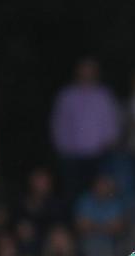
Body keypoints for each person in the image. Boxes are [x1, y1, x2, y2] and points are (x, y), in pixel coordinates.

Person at [50, 58, 121, 208]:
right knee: (73, 192)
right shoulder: (67, 96)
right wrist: (62, 147)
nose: (87, 74)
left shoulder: (104, 95)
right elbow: (59, 123)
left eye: (90, 70)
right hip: (72, 155)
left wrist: (110, 142)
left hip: (99, 154)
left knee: (101, 191)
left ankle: (103, 225)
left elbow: (112, 121)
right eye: (84, 70)